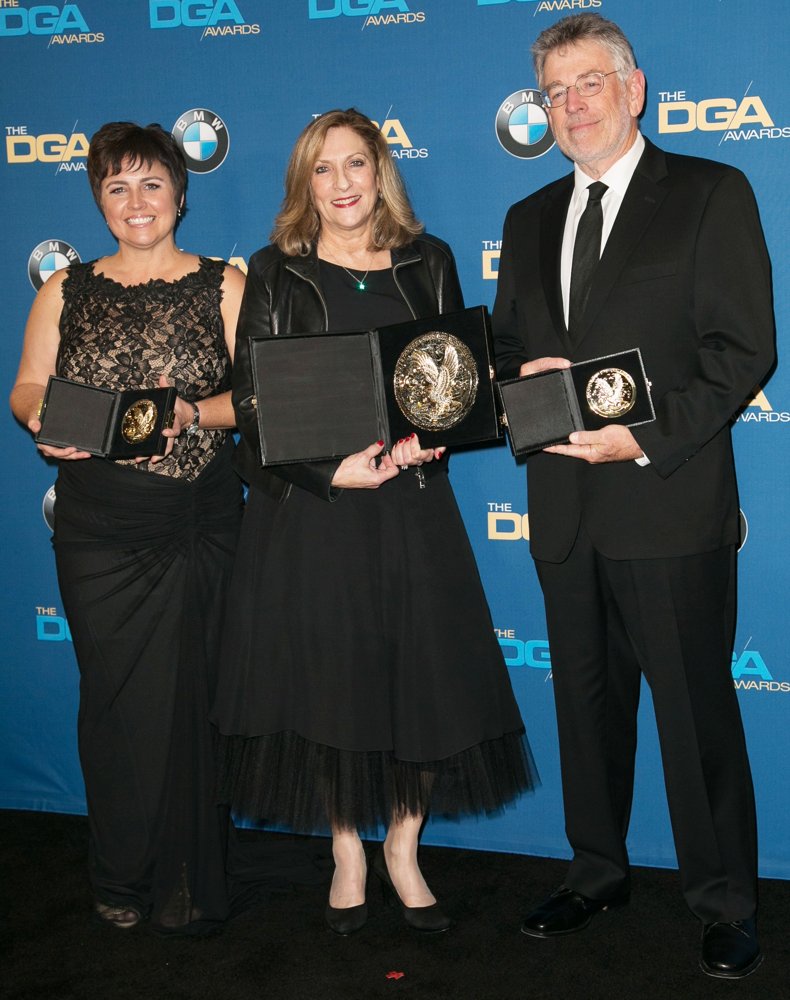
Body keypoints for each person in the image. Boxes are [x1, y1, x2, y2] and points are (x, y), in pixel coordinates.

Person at [492, 13, 774, 979]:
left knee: (696, 715)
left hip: (670, 504)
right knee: (585, 705)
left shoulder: (708, 192)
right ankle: (595, 868)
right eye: (554, 93)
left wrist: (642, 439)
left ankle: (725, 898)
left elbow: (745, 349)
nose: (571, 107)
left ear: (634, 87)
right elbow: (502, 350)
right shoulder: (527, 218)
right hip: (565, 514)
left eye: (588, 85)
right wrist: (510, 379)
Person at [212, 108, 536, 936]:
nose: (342, 184)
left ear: (380, 170)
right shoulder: (275, 272)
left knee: (421, 679)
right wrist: (331, 472)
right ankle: (347, 850)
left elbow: (452, 382)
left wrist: (436, 437)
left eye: (355, 164)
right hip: (317, 515)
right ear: (304, 185)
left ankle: (402, 845)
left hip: (412, 509)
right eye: (323, 170)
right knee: (331, 684)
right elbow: (253, 405)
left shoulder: (431, 262)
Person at [10, 122, 246, 935]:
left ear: (181, 193)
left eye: (152, 184)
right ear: (98, 202)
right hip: (100, 530)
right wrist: (46, 422)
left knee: (195, 696)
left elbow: (256, 399)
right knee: (113, 701)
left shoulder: (224, 285)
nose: (136, 202)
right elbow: (28, 388)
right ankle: (120, 870)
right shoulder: (64, 288)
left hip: (198, 520)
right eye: (118, 187)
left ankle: (186, 872)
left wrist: (194, 412)